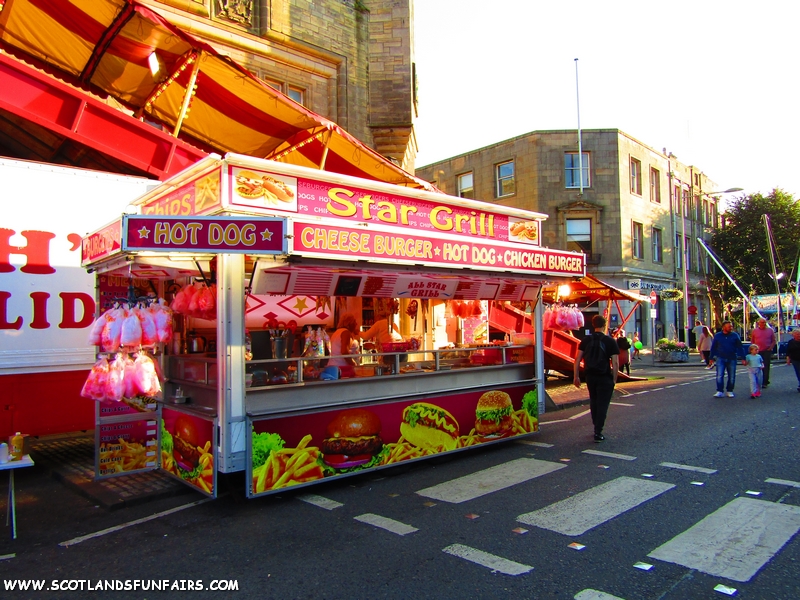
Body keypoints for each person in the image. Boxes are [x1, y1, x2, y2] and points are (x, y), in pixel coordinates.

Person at [573, 315, 619, 442]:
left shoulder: (586, 340)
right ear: (604, 326)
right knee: (603, 404)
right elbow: (615, 363)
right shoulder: (610, 341)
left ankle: (595, 425)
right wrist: (614, 379)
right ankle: (598, 431)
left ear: (593, 325)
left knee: (594, 401)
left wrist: (576, 376)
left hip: (590, 376)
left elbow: (577, 359)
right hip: (604, 376)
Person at [709, 320, 746, 398]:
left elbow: (740, 347)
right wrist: (711, 358)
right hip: (721, 357)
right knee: (719, 375)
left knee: (731, 376)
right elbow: (713, 347)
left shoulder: (735, 335)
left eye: (731, 326)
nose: (731, 328)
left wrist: (743, 358)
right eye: (729, 326)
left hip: (732, 357)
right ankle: (719, 390)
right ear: (723, 327)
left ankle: (730, 390)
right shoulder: (718, 336)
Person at [749, 318, 776, 388]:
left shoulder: (770, 330)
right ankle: (758, 381)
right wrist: (753, 350)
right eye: (761, 322)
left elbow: (774, 340)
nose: (763, 324)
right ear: (758, 323)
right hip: (757, 351)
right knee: (757, 366)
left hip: (767, 351)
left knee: (766, 366)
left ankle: (765, 382)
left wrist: (770, 347)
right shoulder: (755, 331)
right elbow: (752, 341)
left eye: (764, 322)